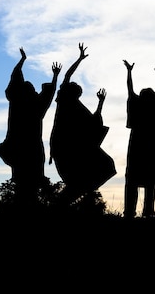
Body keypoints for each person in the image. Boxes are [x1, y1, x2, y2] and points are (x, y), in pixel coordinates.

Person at [49, 43, 116, 204]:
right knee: (95, 171)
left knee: (105, 166)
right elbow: (67, 76)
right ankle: (64, 202)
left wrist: (100, 103)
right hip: (67, 149)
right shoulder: (65, 103)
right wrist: (79, 59)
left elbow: (94, 123)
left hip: (76, 149)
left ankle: (72, 198)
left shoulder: (77, 107)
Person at [0, 47, 61, 206]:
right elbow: (49, 93)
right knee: (29, 185)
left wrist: (22, 60)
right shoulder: (35, 105)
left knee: (23, 184)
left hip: (20, 147)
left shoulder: (17, 100)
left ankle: (24, 206)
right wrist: (55, 76)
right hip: (30, 148)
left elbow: (15, 76)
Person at [122, 59, 155, 218]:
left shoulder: (137, 106)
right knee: (150, 182)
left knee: (133, 181)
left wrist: (129, 72)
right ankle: (147, 211)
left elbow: (130, 90)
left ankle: (130, 212)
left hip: (137, 145)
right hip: (153, 145)